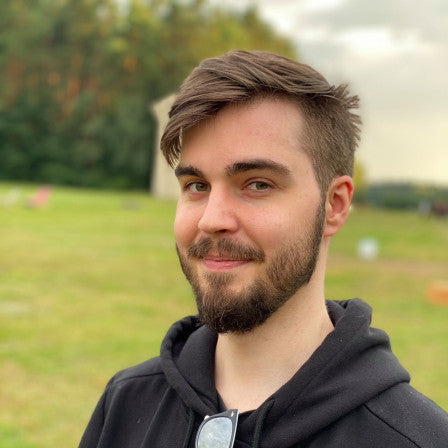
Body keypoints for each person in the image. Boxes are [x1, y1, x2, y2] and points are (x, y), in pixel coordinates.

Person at [79, 50, 448, 448]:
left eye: (257, 184)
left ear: (335, 205)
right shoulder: (125, 404)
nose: (211, 220)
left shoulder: (417, 439)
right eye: (197, 186)